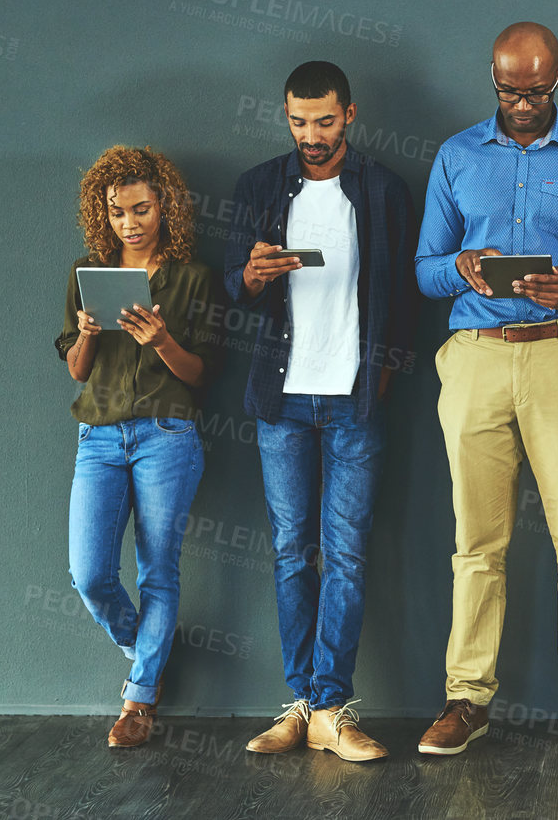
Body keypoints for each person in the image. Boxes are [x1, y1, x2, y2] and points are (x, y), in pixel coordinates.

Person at [414, 22, 558, 759]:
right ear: (492, 78)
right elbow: (424, 268)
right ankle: (467, 698)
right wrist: (463, 266)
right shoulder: (455, 155)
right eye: (509, 90)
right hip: (476, 356)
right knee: (476, 540)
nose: (521, 103)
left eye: (536, 90)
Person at [224, 61, 417, 762]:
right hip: (282, 400)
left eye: (325, 121)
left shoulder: (384, 189)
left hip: (356, 399)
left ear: (350, 115)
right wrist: (251, 272)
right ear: (287, 117)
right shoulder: (258, 186)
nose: (312, 134)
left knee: (346, 554)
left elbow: (403, 293)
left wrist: (386, 372)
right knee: (287, 551)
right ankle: (301, 704)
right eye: (300, 121)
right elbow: (229, 287)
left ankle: (332, 705)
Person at [56, 145, 221, 748]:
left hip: (167, 436)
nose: (128, 222)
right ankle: (145, 644)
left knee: (159, 570)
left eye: (141, 208)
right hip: (98, 436)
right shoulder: (85, 273)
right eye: (117, 211)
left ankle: (139, 699)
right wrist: (88, 336)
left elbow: (202, 374)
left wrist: (161, 340)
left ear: (165, 207)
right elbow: (76, 371)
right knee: (88, 572)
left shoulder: (194, 278)